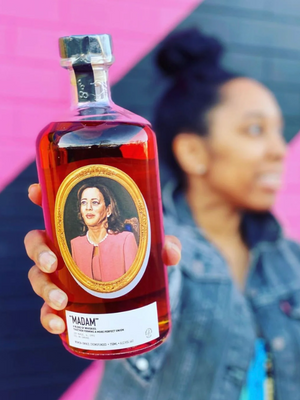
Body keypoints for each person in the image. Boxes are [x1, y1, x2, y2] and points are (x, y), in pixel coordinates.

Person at [24, 28, 300, 400]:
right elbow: (138, 340)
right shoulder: (158, 248)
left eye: (278, 131)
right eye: (255, 130)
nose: (279, 150)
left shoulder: (289, 259)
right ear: (192, 153)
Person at [70, 181, 138, 281]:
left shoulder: (126, 240)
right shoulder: (75, 244)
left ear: (108, 210)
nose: (88, 208)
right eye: (84, 202)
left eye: (95, 202)